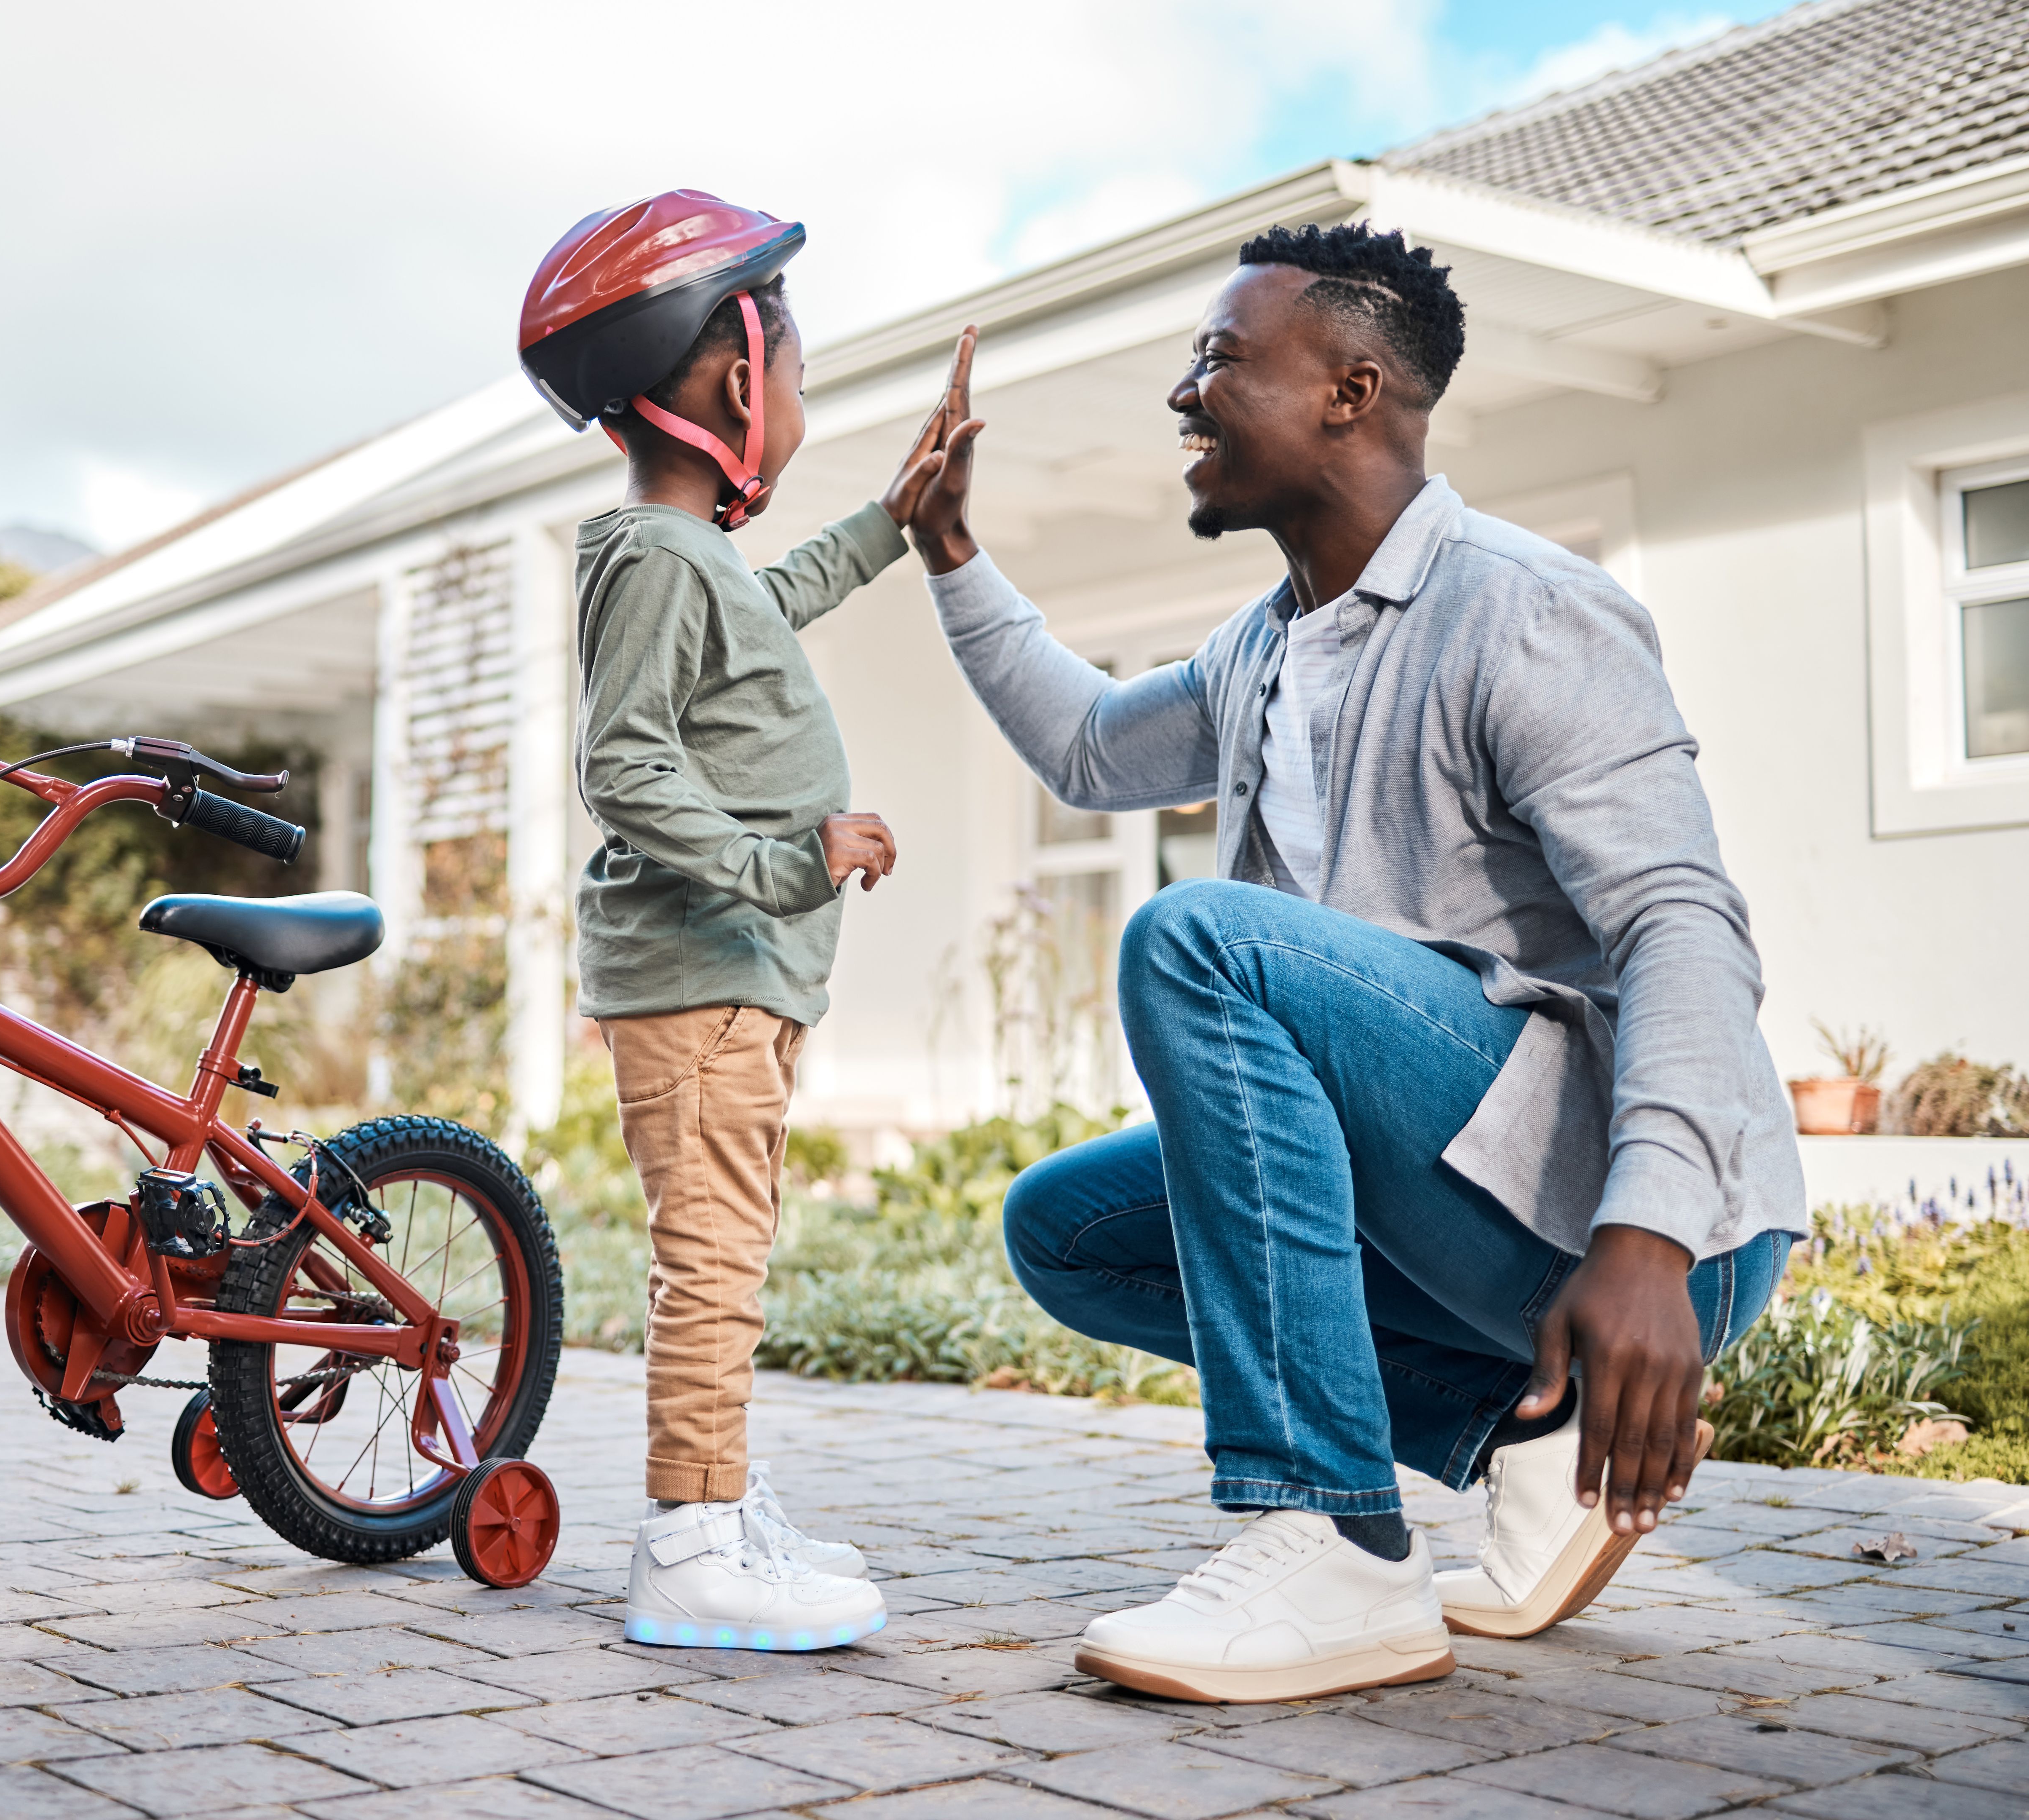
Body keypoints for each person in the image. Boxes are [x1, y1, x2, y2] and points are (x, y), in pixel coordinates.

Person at [898, 223, 1804, 1703]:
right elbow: (1088, 749)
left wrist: (1648, 1239)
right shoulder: (1262, 653)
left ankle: (1335, 1538)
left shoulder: (1526, 609)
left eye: (1219, 360)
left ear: (1351, 390)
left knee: (1201, 941)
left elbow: (1682, 923)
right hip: (1476, 1214)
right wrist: (950, 553)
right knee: (1071, 1231)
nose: (1185, 395)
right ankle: (1529, 1431)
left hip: (1644, 1243)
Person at [517, 190, 967, 1650]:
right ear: (735, 385)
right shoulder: (657, 557)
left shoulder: (691, 560)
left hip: (739, 978)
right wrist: (787, 861)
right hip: (706, 971)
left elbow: (768, 607)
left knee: (731, 1252)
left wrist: (891, 523)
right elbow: (624, 765)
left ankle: (719, 1502)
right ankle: (689, 1544)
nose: (804, 410)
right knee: (710, 1263)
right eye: (803, 380)